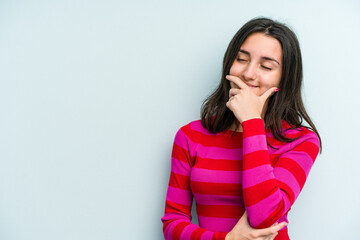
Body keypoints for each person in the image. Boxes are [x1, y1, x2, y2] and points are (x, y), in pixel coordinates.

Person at [161, 17, 322, 240]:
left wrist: (251, 123)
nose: (248, 74)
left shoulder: (300, 141)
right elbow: (172, 224)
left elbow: (265, 218)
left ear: (284, 78)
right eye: (241, 59)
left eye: (266, 66)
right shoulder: (190, 137)